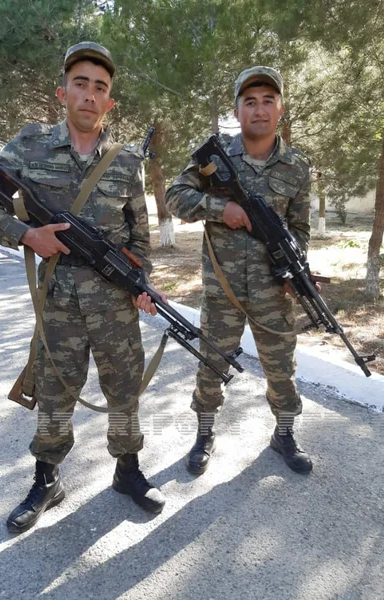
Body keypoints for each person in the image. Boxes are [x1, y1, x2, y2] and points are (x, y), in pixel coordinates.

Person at [0, 41, 166, 533]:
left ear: (109, 102)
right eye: (81, 84)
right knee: (54, 393)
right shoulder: (29, 146)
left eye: (100, 88)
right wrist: (25, 234)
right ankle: (47, 479)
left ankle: (128, 470)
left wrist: (141, 282)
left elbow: (139, 238)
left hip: (115, 306)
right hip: (57, 303)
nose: (90, 95)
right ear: (63, 93)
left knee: (124, 389)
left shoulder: (125, 162)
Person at [165, 66, 313, 476]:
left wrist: (295, 266)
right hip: (222, 291)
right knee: (211, 365)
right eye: (250, 102)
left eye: (268, 101)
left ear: (280, 108)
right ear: (237, 111)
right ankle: (204, 433)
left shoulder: (297, 166)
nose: (259, 110)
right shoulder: (214, 157)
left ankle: (284, 434)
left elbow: (300, 229)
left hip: (273, 291)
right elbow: (175, 197)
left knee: (281, 369)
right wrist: (220, 208)